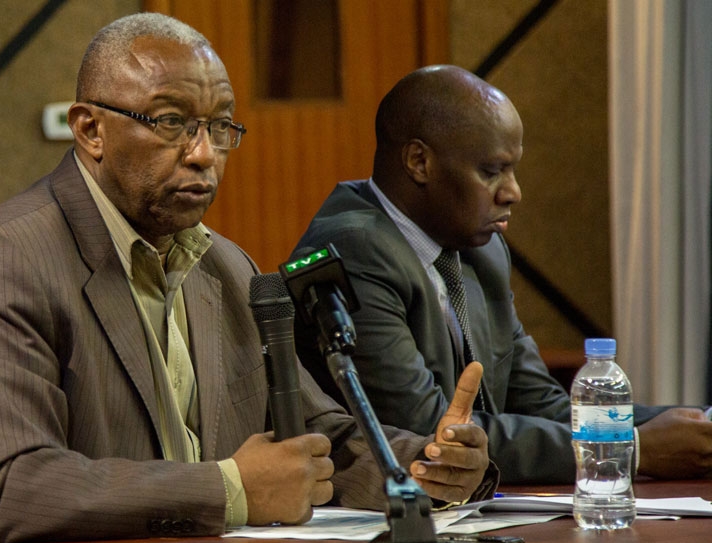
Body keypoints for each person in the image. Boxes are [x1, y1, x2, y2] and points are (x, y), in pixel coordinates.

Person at [0, 15, 497, 543]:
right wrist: (229, 489)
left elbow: (312, 433)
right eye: (170, 122)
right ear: (89, 130)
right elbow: (1, 491)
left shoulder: (227, 267)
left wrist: (423, 468)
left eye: (219, 128)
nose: (203, 154)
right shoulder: (1, 259)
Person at [290, 65, 712, 485]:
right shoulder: (354, 248)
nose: (513, 192)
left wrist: (692, 427)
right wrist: (626, 448)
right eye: (492, 171)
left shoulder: (482, 250)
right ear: (419, 162)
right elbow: (432, 433)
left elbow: (538, 403)